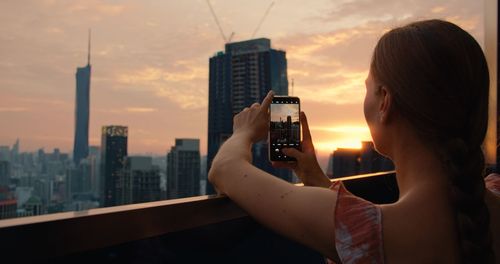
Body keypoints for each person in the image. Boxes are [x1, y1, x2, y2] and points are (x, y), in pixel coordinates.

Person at [208, 19, 500, 263]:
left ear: (385, 100)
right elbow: (351, 226)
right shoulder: (490, 195)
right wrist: (311, 174)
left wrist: (243, 132)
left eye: (368, 88)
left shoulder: (378, 235)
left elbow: (224, 169)